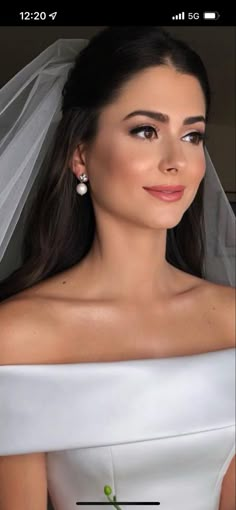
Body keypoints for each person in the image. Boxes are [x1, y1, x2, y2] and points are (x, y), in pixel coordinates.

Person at [0, 26, 235, 510]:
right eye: (145, 130)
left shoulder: (231, 318)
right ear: (80, 153)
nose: (177, 161)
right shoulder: (17, 336)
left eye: (192, 135)